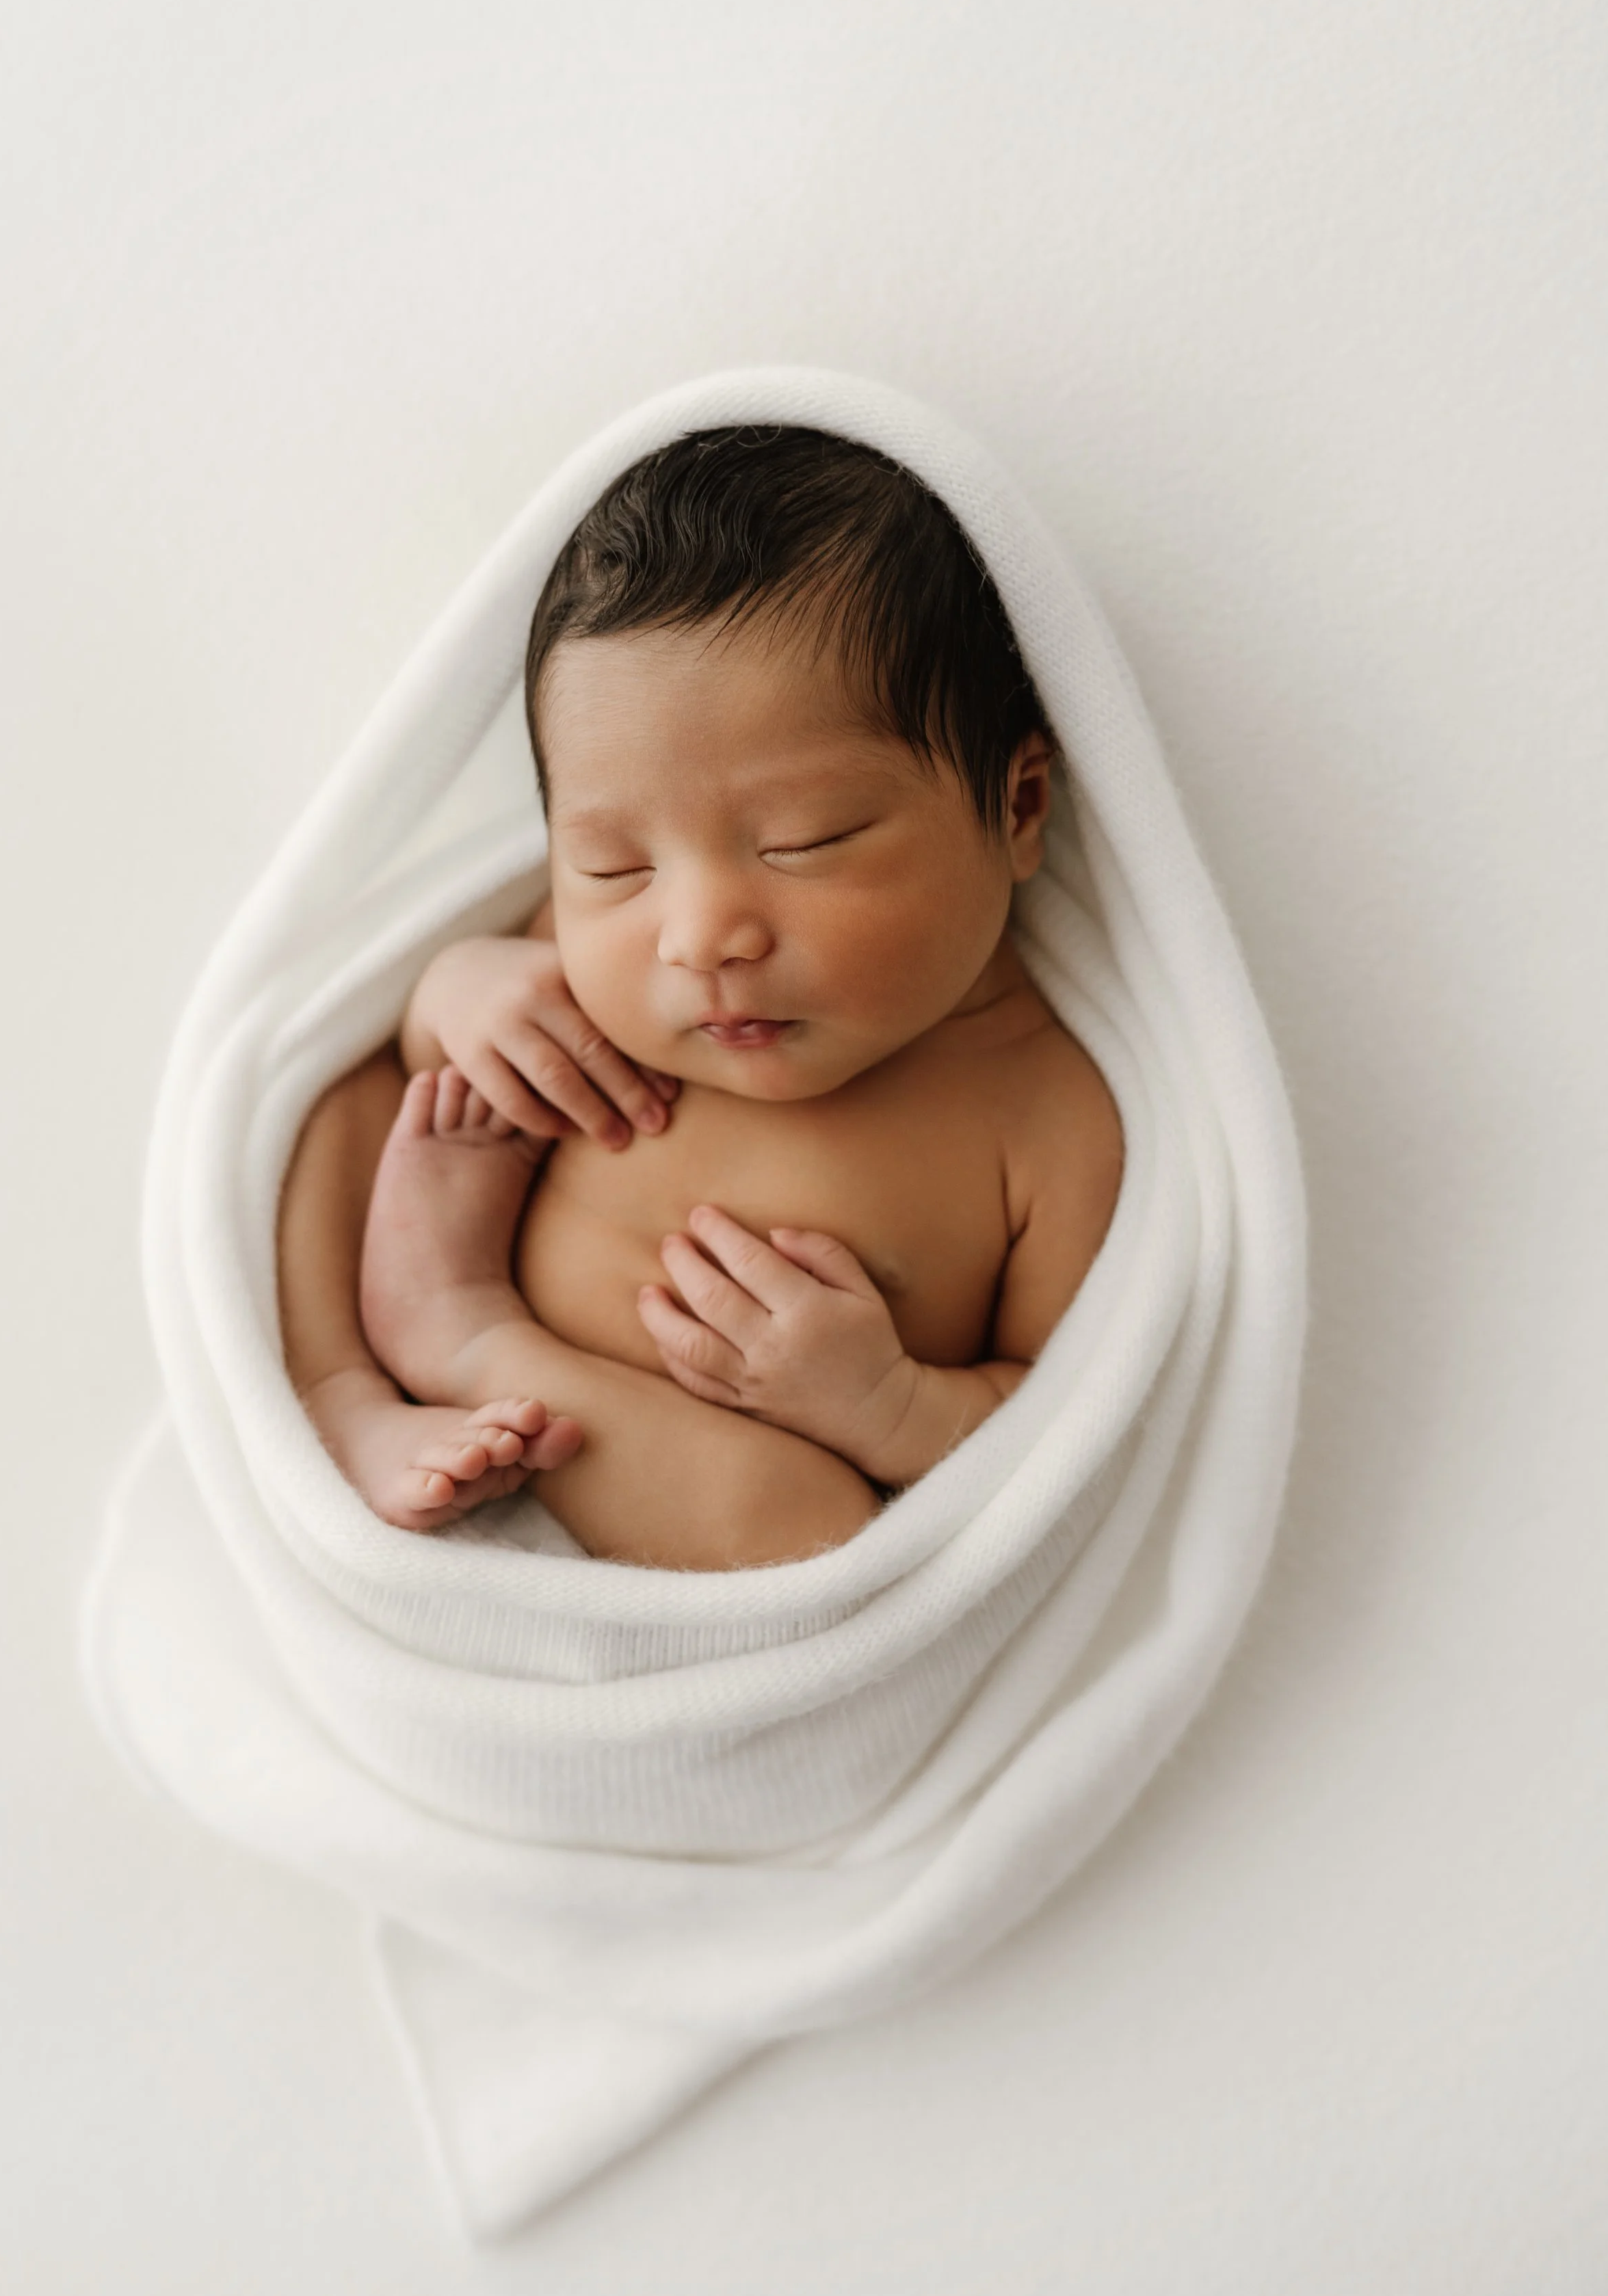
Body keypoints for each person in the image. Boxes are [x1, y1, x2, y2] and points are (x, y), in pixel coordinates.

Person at [276, 426, 1123, 1570]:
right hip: (433, 1411)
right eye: (615, 867)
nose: (698, 937)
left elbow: (1054, 1430)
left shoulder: (1049, 1122)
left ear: (1019, 808)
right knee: (345, 1091)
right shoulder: (594, 966)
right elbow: (443, 1053)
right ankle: (341, 1391)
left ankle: (461, 1335)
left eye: (802, 843)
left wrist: (888, 1405)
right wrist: (456, 990)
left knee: (803, 1519)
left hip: (681, 1481)